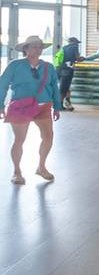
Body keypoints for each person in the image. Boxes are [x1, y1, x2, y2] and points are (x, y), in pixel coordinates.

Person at [0, 36, 62, 185]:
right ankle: (17, 172)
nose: (38, 49)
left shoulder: (48, 67)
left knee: (48, 137)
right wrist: (1, 105)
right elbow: (2, 84)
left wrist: (57, 107)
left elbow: (54, 87)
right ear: (26, 49)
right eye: (34, 46)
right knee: (19, 140)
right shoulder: (15, 65)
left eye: (40, 47)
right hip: (21, 107)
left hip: (44, 107)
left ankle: (41, 166)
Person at [57, 36, 85, 111]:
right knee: (64, 88)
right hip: (67, 70)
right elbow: (78, 58)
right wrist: (83, 58)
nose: (78, 45)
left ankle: (67, 103)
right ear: (74, 42)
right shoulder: (74, 47)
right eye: (77, 43)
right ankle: (59, 105)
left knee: (65, 88)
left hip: (59, 69)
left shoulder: (64, 48)